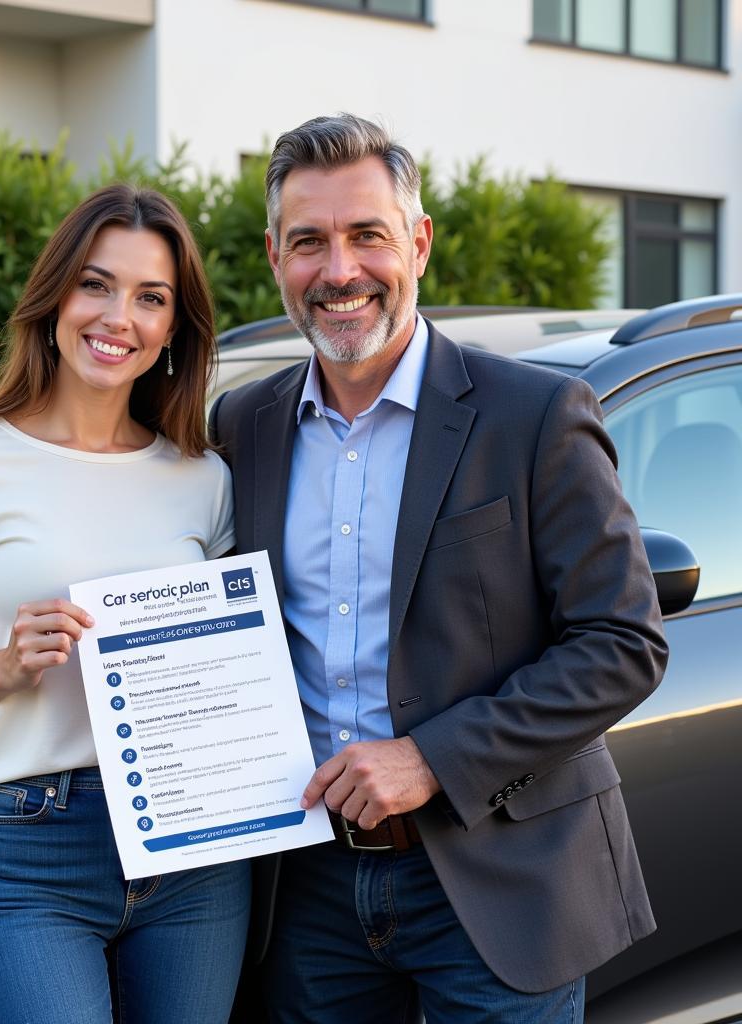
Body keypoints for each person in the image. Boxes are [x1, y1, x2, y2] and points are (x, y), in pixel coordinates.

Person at [210, 114, 668, 1023]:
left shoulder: (533, 415)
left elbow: (623, 642)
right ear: (274, 257)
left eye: (367, 234)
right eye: (309, 241)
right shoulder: (243, 427)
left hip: (500, 878)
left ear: (417, 241)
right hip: (304, 897)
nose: (339, 270)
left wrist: (431, 759)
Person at [0, 184, 249, 1024]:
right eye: (95, 284)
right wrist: (5, 666)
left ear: (171, 332)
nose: (118, 316)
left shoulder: (204, 479)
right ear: (54, 300)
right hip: (32, 844)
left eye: (150, 297)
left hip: (194, 852)